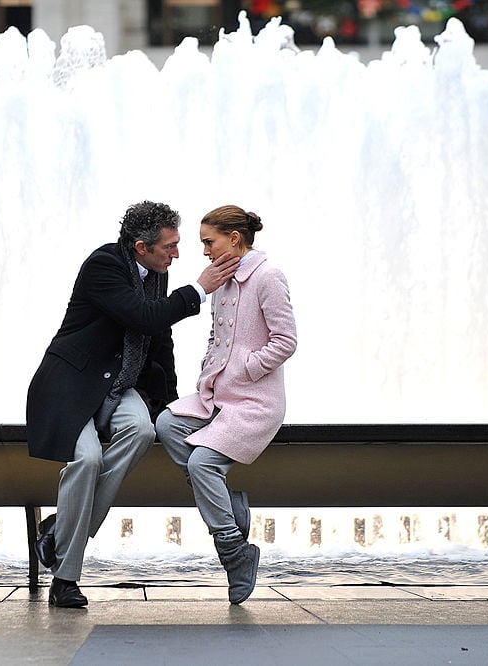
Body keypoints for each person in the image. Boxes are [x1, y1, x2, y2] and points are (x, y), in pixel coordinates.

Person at [26, 200, 240, 608]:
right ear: (141, 247)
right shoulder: (104, 265)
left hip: (118, 390)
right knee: (87, 460)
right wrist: (198, 290)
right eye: (170, 246)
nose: (178, 254)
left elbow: (160, 339)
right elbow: (142, 316)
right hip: (70, 389)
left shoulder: (157, 272)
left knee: (143, 429)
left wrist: (176, 405)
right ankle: (65, 580)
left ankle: (59, 533)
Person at [155, 204, 297, 604]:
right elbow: (219, 338)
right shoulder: (224, 279)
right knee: (166, 424)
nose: (204, 251)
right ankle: (230, 505)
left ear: (234, 239)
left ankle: (235, 554)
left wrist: (247, 369)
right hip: (217, 396)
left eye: (208, 242)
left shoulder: (268, 277)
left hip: (255, 401)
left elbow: (286, 341)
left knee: (202, 463)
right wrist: (210, 375)